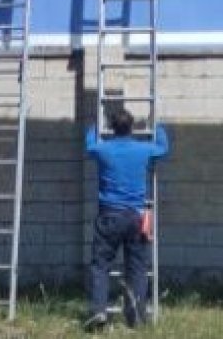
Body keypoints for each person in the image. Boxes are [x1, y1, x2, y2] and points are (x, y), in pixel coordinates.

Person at [83, 109, 170, 331]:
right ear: (132, 128)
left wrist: (94, 125)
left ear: (112, 128)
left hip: (109, 216)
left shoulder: (103, 149)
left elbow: (89, 144)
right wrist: (156, 124)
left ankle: (98, 312)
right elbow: (163, 148)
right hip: (136, 218)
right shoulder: (144, 150)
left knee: (100, 266)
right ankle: (137, 319)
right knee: (137, 269)